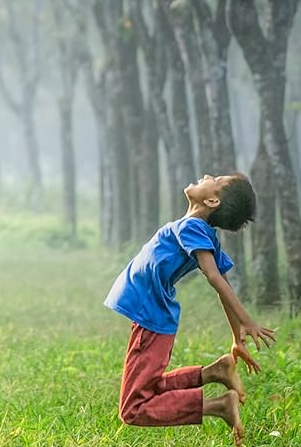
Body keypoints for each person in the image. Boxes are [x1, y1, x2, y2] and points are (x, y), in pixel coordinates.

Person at [103, 174, 275, 446]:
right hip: (152, 317)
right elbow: (223, 282)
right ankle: (214, 373)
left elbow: (216, 278)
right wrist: (236, 337)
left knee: (133, 408)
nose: (207, 176)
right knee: (148, 388)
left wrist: (247, 321)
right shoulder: (198, 230)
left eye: (215, 179)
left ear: (212, 200)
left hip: (151, 319)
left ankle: (218, 406)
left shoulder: (193, 227)